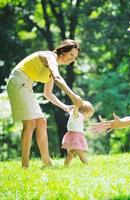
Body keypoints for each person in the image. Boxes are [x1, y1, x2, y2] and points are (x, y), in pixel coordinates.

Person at [6, 39, 84, 168]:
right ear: (63, 50)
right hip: (19, 82)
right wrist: (73, 96)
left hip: (26, 85)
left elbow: (48, 93)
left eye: (75, 57)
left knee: (41, 122)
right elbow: (57, 78)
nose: (72, 59)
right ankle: (25, 165)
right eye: (71, 54)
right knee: (30, 123)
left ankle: (46, 163)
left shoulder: (53, 66)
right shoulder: (49, 57)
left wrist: (65, 107)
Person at [62, 100, 94, 166]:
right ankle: (87, 166)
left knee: (70, 155)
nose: (88, 118)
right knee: (81, 153)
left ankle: (65, 166)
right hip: (74, 136)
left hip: (74, 136)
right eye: (88, 116)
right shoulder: (78, 115)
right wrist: (77, 106)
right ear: (85, 112)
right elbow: (75, 111)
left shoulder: (76, 116)